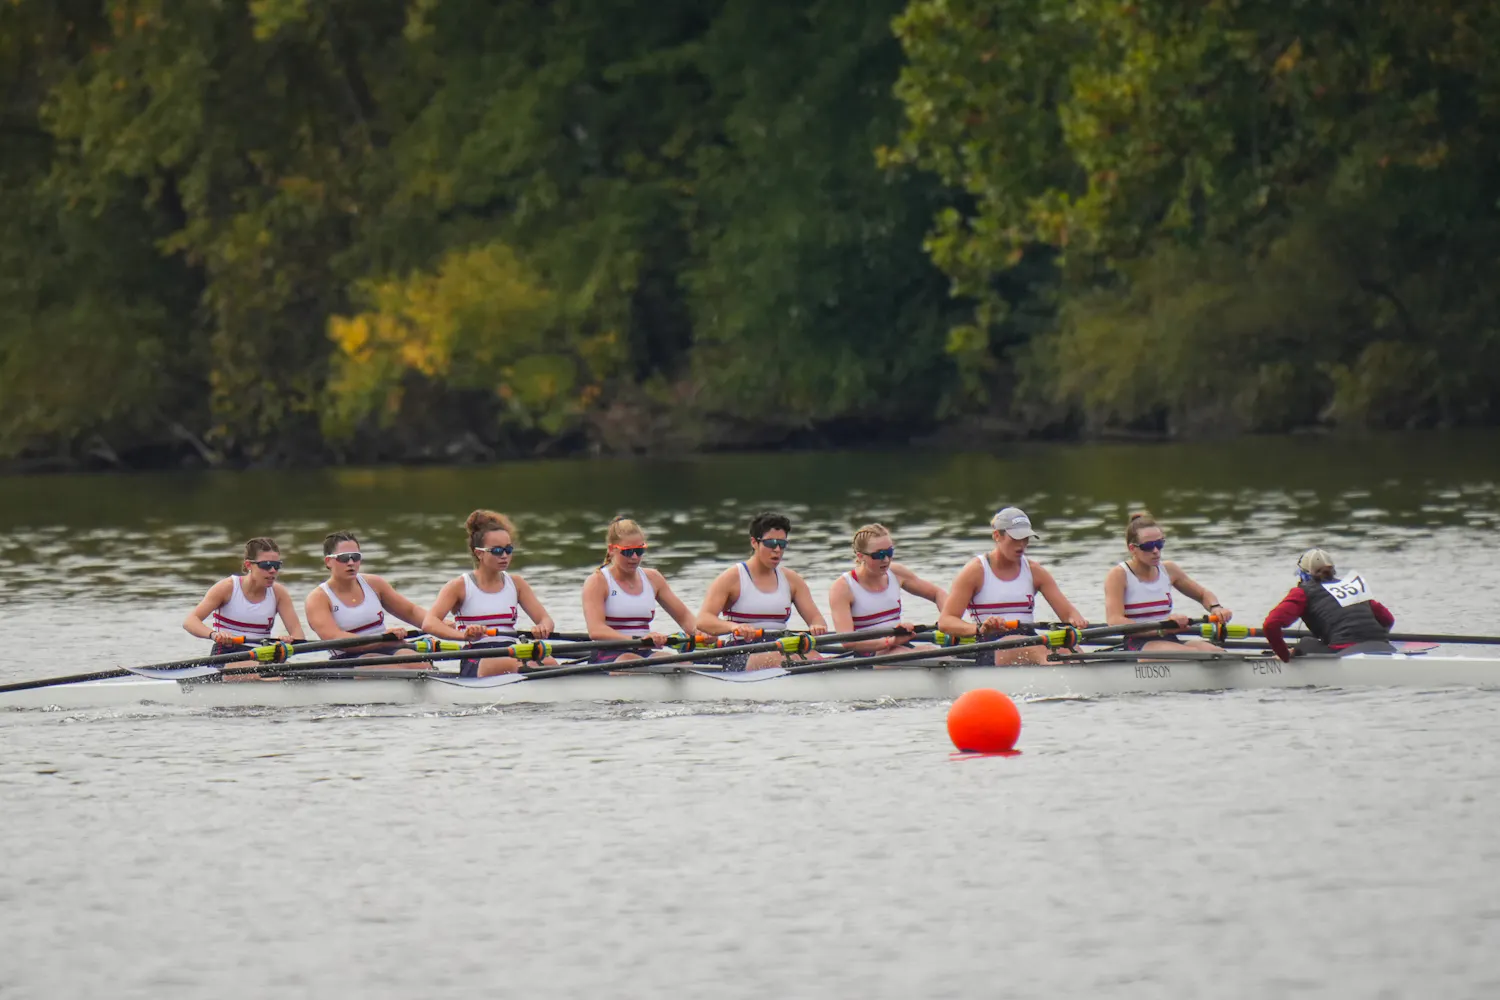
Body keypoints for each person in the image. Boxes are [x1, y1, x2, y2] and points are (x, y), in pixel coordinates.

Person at [937, 507, 1087, 665]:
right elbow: (946, 621)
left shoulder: (1035, 571)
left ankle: (1084, 679)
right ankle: (1063, 679)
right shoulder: (975, 571)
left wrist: (1075, 619)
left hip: (1029, 640)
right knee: (1036, 648)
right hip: (989, 646)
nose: (1022, 545)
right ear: (997, 536)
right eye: (1015, 538)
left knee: (1071, 649)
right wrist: (979, 628)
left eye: (1026, 539)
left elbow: (1068, 613)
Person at [422, 510, 558, 677]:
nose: (505, 556)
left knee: (550, 662)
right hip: (476, 657)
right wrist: (464, 636)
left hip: (511, 650)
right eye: (497, 551)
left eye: (508, 549)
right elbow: (429, 623)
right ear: (479, 553)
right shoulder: (459, 586)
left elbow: (546, 619)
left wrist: (543, 627)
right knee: (514, 663)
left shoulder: (517, 584)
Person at [696, 511, 829, 669]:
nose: (777, 550)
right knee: (782, 659)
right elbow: (704, 620)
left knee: (813, 657)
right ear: (754, 542)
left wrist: (816, 626)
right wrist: (734, 627)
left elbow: (816, 619)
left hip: (782, 644)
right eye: (771, 543)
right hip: (741, 650)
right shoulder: (732, 578)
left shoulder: (793, 580)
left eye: (782, 544)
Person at [1103, 511, 1232, 653]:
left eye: (1159, 544)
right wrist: (1161, 628)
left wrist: (1216, 608)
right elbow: (1114, 621)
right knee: (1194, 655)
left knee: (1218, 654)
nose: (1156, 551)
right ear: (1132, 548)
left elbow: (1202, 594)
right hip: (1137, 643)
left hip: (1169, 638)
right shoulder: (1119, 575)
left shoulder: (1169, 569)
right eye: (1148, 546)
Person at [580, 517, 700, 663]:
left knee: (681, 662)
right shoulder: (598, 581)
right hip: (608, 654)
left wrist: (701, 632)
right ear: (612, 550)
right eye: (628, 552)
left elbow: (685, 617)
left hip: (644, 652)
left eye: (639, 550)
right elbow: (596, 630)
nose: (635, 557)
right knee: (629, 660)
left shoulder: (653, 578)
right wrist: (637, 640)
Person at [304, 530, 429, 663]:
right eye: (344, 558)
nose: (351, 562)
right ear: (329, 561)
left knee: (415, 659)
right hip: (347, 659)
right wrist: (382, 640)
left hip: (388, 650)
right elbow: (334, 638)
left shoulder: (375, 584)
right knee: (375, 660)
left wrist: (440, 623)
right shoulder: (318, 598)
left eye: (355, 557)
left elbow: (411, 612)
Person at [826, 523, 947, 656]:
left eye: (889, 552)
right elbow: (847, 642)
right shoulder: (843, 587)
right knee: (922, 655)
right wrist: (890, 642)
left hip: (898, 647)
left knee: (931, 651)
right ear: (860, 556)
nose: (886, 559)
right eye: (879, 555)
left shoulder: (896, 572)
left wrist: (948, 620)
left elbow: (938, 594)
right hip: (867, 655)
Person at [1262, 548, 1396, 662]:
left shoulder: (1302, 592)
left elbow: (1271, 624)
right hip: (1383, 646)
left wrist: (1284, 656)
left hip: (1344, 650)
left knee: (1305, 643)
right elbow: (1388, 619)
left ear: (1304, 575)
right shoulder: (1353, 587)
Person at [183, 537, 306, 655]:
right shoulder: (227, 587)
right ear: (248, 565)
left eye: (277, 565)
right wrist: (214, 634)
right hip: (227, 653)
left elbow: (299, 637)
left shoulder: (279, 593)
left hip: (264, 654)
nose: (273, 570)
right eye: (266, 565)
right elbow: (190, 621)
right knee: (264, 674)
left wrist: (288, 643)